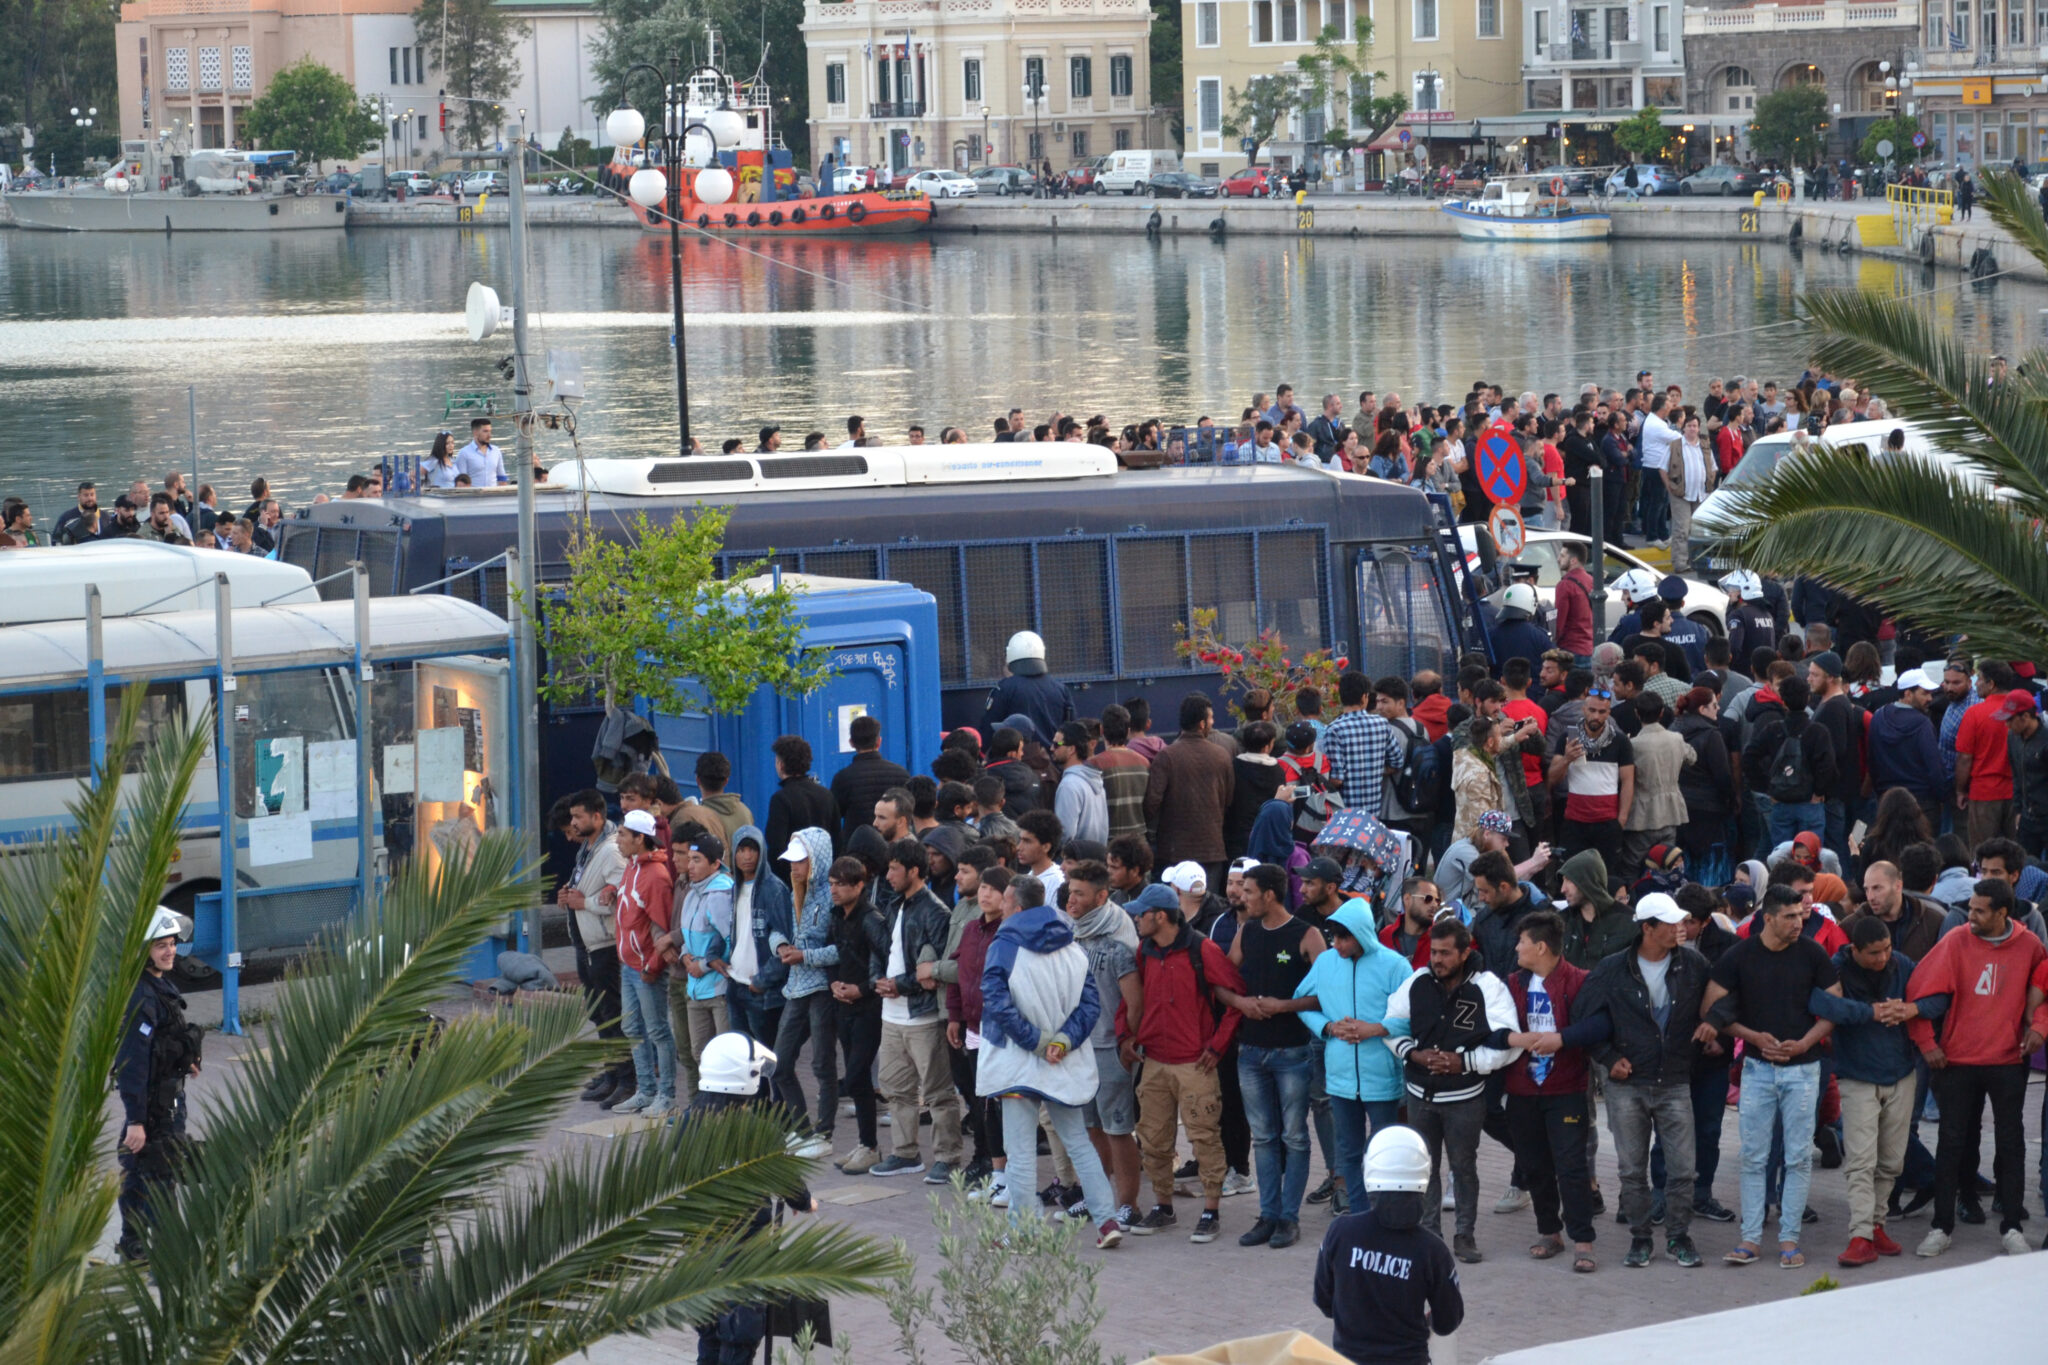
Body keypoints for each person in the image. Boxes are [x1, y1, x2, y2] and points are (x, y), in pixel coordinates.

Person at [977, 872, 1126, 1249]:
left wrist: (1035, 1042)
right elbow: (1089, 1004)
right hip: (1064, 1060)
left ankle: (1022, 1231)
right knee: (1078, 1142)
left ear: (1018, 905)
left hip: (1016, 1062)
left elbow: (995, 999)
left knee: (1020, 1152)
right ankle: (1107, 1222)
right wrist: (1063, 1040)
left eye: (1006, 900)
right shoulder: (1072, 944)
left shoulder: (1005, 943)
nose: (1002, 906)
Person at [1905, 876, 2047, 1258]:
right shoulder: (1955, 941)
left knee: (2011, 1143)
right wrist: (1927, 1043)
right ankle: (1941, 1225)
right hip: (1958, 1061)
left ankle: (2012, 1226)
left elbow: (2044, 991)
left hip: (2007, 1060)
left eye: (1979, 910)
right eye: (1970, 907)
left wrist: (2039, 1027)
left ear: (2002, 913)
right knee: (1952, 1143)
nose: (1970, 915)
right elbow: (1918, 991)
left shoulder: (2030, 946)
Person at [1701, 884, 1840, 1267]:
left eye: (1802, 915)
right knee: (1754, 1157)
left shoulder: (1813, 954)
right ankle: (1750, 1239)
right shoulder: (1739, 955)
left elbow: (1835, 1008)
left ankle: (1789, 1240)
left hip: (1804, 1069)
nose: (1800, 922)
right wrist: (1752, 1037)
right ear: (1768, 918)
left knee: (1797, 1157)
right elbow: (1711, 1007)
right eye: (1791, 916)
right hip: (1758, 1069)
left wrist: (1803, 1043)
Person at [1384, 916, 1521, 1264]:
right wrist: (1412, 1053)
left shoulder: (1489, 987)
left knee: (1464, 1167)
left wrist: (1467, 1063)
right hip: (1419, 1095)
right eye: (1434, 952)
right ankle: (1430, 1235)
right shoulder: (1417, 981)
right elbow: (1388, 1024)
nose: (1437, 960)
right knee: (1424, 1169)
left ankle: (1465, 1235)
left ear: (1464, 953)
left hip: (1465, 1100)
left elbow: (1511, 1044)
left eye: (1446, 953)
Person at [1121, 880, 1248, 1244]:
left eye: (1141, 915)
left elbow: (1236, 998)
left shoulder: (1201, 950)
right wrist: (1127, 1037)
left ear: (1159, 916)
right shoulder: (1145, 951)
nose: (1136, 921)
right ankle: (1164, 1207)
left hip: (1195, 1064)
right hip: (1155, 1063)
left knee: (1204, 1137)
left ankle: (1211, 1211)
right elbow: (1130, 999)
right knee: (1154, 1140)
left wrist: (1217, 1047)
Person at [679, 1031, 817, 1365]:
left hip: (699, 1243)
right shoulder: (756, 1129)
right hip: (745, 1246)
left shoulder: (687, 1121)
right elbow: (786, 1181)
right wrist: (805, 1202)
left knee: (708, 1332)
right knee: (740, 1336)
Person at [1808, 915, 1935, 1268]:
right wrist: (1871, 1012)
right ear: (1854, 950)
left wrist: (1911, 1008)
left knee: (1892, 1161)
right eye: (1874, 953)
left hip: (1902, 1074)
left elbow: (1935, 997)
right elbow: (1821, 1004)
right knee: (1862, 1161)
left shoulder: (1902, 964)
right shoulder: (1835, 968)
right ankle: (1860, 1235)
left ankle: (1876, 1225)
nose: (1882, 958)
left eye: (1886, 950)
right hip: (1857, 1078)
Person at [1494, 910, 1605, 1273]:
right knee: (1535, 1166)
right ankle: (1549, 1232)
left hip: (1566, 1088)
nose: (1516, 948)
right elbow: (1492, 1027)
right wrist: (1515, 1039)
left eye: (1522, 942)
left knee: (1572, 1166)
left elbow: (1600, 1024)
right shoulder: (1512, 984)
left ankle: (1583, 1241)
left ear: (1540, 947)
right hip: (1522, 1089)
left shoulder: (1580, 981)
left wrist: (1563, 1039)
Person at [1229, 863, 1327, 1249]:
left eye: (1249, 891)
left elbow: (1326, 992)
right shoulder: (1246, 931)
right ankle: (1268, 1215)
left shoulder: (1307, 935)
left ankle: (1289, 1218)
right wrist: (1239, 1002)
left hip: (1292, 1051)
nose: (1242, 896)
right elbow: (1222, 977)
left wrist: (1283, 1006)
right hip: (1250, 1051)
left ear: (1270, 894)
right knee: (1265, 1138)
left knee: (1295, 1137)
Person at [1314, 1127, 1465, 1365]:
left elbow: (1324, 1301)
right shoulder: (1431, 1250)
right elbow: (1447, 1321)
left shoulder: (1341, 1232)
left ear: (1369, 1173)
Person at [871, 838, 969, 1181]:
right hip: (891, 1014)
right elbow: (882, 949)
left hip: (923, 1016)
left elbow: (937, 968)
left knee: (938, 1092)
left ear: (914, 871)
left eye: (894, 868)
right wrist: (876, 979)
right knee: (896, 1089)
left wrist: (902, 984)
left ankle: (947, 1157)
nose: (888, 875)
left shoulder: (936, 912)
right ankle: (904, 1153)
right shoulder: (894, 905)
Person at [114, 906, 204, 1262]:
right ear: (143, 951)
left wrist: (187, 1059)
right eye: (160, 946)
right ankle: (166, 1259)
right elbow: (132, 1063)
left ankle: (132, 1245)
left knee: (139, 1174)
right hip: (155, 1108)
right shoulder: (143, 996)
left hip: (164, 1100)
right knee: (161, 1177)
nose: (169, 951)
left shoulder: (161, 986)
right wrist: (136, 1120)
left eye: (171, 944)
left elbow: (167, 1042)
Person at [1068, 861, 1144, 1223]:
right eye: (1070, 892)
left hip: (1109, 1049)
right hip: (1078, 1048)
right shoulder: (1073, 934)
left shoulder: (1117, 941)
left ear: (1101, 896)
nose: (1071, 900)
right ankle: (1098, 1199)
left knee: (1118, 1129)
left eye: (1079, 894)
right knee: (1091, 1129)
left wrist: (1127, 1039)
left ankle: (1128, 1203)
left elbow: (1134, 1000)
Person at [770, 829, 849, 1154]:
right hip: (796, 987)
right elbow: (781, 931)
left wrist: (806, 956)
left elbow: (843, 949)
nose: (794, 868)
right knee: (779, 1062)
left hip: (822, 989)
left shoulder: (832, 897)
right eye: (791, 862)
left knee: (822, 1063)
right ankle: (802, 1129)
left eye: (800, 861)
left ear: (815, 860)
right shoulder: (794, 893)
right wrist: (782, 947)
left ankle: (824, 1134)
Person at [556, 790, 633, 1106]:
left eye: (578, 817)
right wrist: (570, 895)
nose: (573, 824)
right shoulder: (589, 850)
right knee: (598, 1014)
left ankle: (627, 1079)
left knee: (613, 1015)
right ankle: (611, 1073)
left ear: (597, 817)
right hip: (586, 944)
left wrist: (583, 901)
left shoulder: (612, 851)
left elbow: (620, 899)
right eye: (572, 817)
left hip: (604, 945)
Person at [613, 808, 677, 1116]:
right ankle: (646, 1090)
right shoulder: (633, 867)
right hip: (630, 965)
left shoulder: (656, 876)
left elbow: (661, 928)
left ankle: (665, 1094)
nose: (619, 839)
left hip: (645, 969)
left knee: (658, 1031)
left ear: (641, 838)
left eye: (624, 834)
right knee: (632, 1027)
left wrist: (653, 965)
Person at [661, 831, 733, 1104]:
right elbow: (689, 936)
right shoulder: (692, 891)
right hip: (695, 989)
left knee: (724, 1058)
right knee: (698, 1053)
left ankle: (728, 1115)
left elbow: (731, 941)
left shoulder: (720, 893)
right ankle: (707, 1111)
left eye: (697, 860)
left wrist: (703, 964)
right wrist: (685, 958)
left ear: (715, 864)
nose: (689, 866)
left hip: (718, 989)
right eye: (689, 859)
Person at [1143, 693, 1236, 887]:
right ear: (1202, 724)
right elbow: (1228, 800)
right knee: (1208, 905)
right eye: (1211, 718)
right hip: (1212, 848)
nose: (1213, 722)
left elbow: (1151, 802)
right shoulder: (1221, 755)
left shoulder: (1166, 756)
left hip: (1174, 851)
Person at [725, 825, 793, 1049]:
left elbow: (785, 940)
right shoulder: (735, 887)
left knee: (766, 1060)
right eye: (741, 850)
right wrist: (716, 957)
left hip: (759, 991)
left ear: (762, 851)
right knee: (743, 1060)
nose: (747, 856)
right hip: (735, 984)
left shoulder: (774, 889)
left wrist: (763, 981)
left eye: (752, 849)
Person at [829, 713, 912, 848]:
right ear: (879, 741)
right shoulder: (901, 774)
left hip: (857, 848)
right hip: (894, 847)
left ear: (851, 743)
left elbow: (833, 818)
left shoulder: (843, 778)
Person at [764, 735, 839, 884]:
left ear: (780, 764)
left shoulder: (781, 799)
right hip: (824, 881)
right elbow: (837, 841)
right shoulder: (827, 795)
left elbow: (776, 847)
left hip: (793, 882)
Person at [979, 630, 1075, 743]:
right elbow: (1070, 729)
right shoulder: (1060, 688)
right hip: (1052, 756)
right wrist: (1058, 746)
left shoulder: (1005, 688)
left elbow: (989, 728)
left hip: (1018, 755)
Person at [1053, 720, 1110, 845]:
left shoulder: (1069, 785)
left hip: (1077, 860)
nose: (1052, 748)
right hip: (1097, 857)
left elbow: (1065, 833)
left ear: (1071, 749)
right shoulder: (1096, 780)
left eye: (1057, 744)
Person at [455, 416, 507, 485]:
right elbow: (461, 483)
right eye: (485, 431)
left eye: (490, 431)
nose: (489, 435)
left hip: (494, 494)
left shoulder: (496, 451)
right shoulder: (464, 453)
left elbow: (502, 478)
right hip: (473, 494)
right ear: (475, 433)